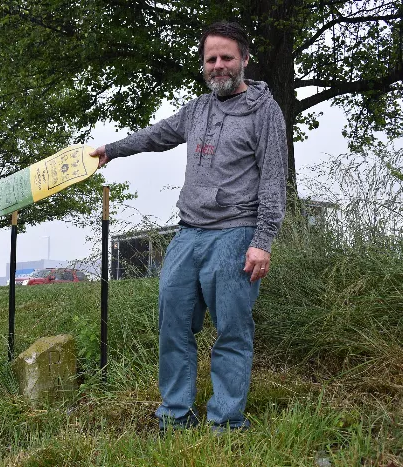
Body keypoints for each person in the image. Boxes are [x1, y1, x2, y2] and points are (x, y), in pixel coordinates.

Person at [90, 21, 287, 432]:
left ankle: (226, 420)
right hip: (188, 233)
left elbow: (272, 179)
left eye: (226, 57)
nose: (218, 65)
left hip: (237, 232)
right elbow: (156, 135)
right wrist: (111, 150)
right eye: (210, 58)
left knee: (232, 330)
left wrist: (263, 241)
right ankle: (175, 414)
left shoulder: (265, 111)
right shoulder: (197, 109)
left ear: (244, 60)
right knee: (173, 324)